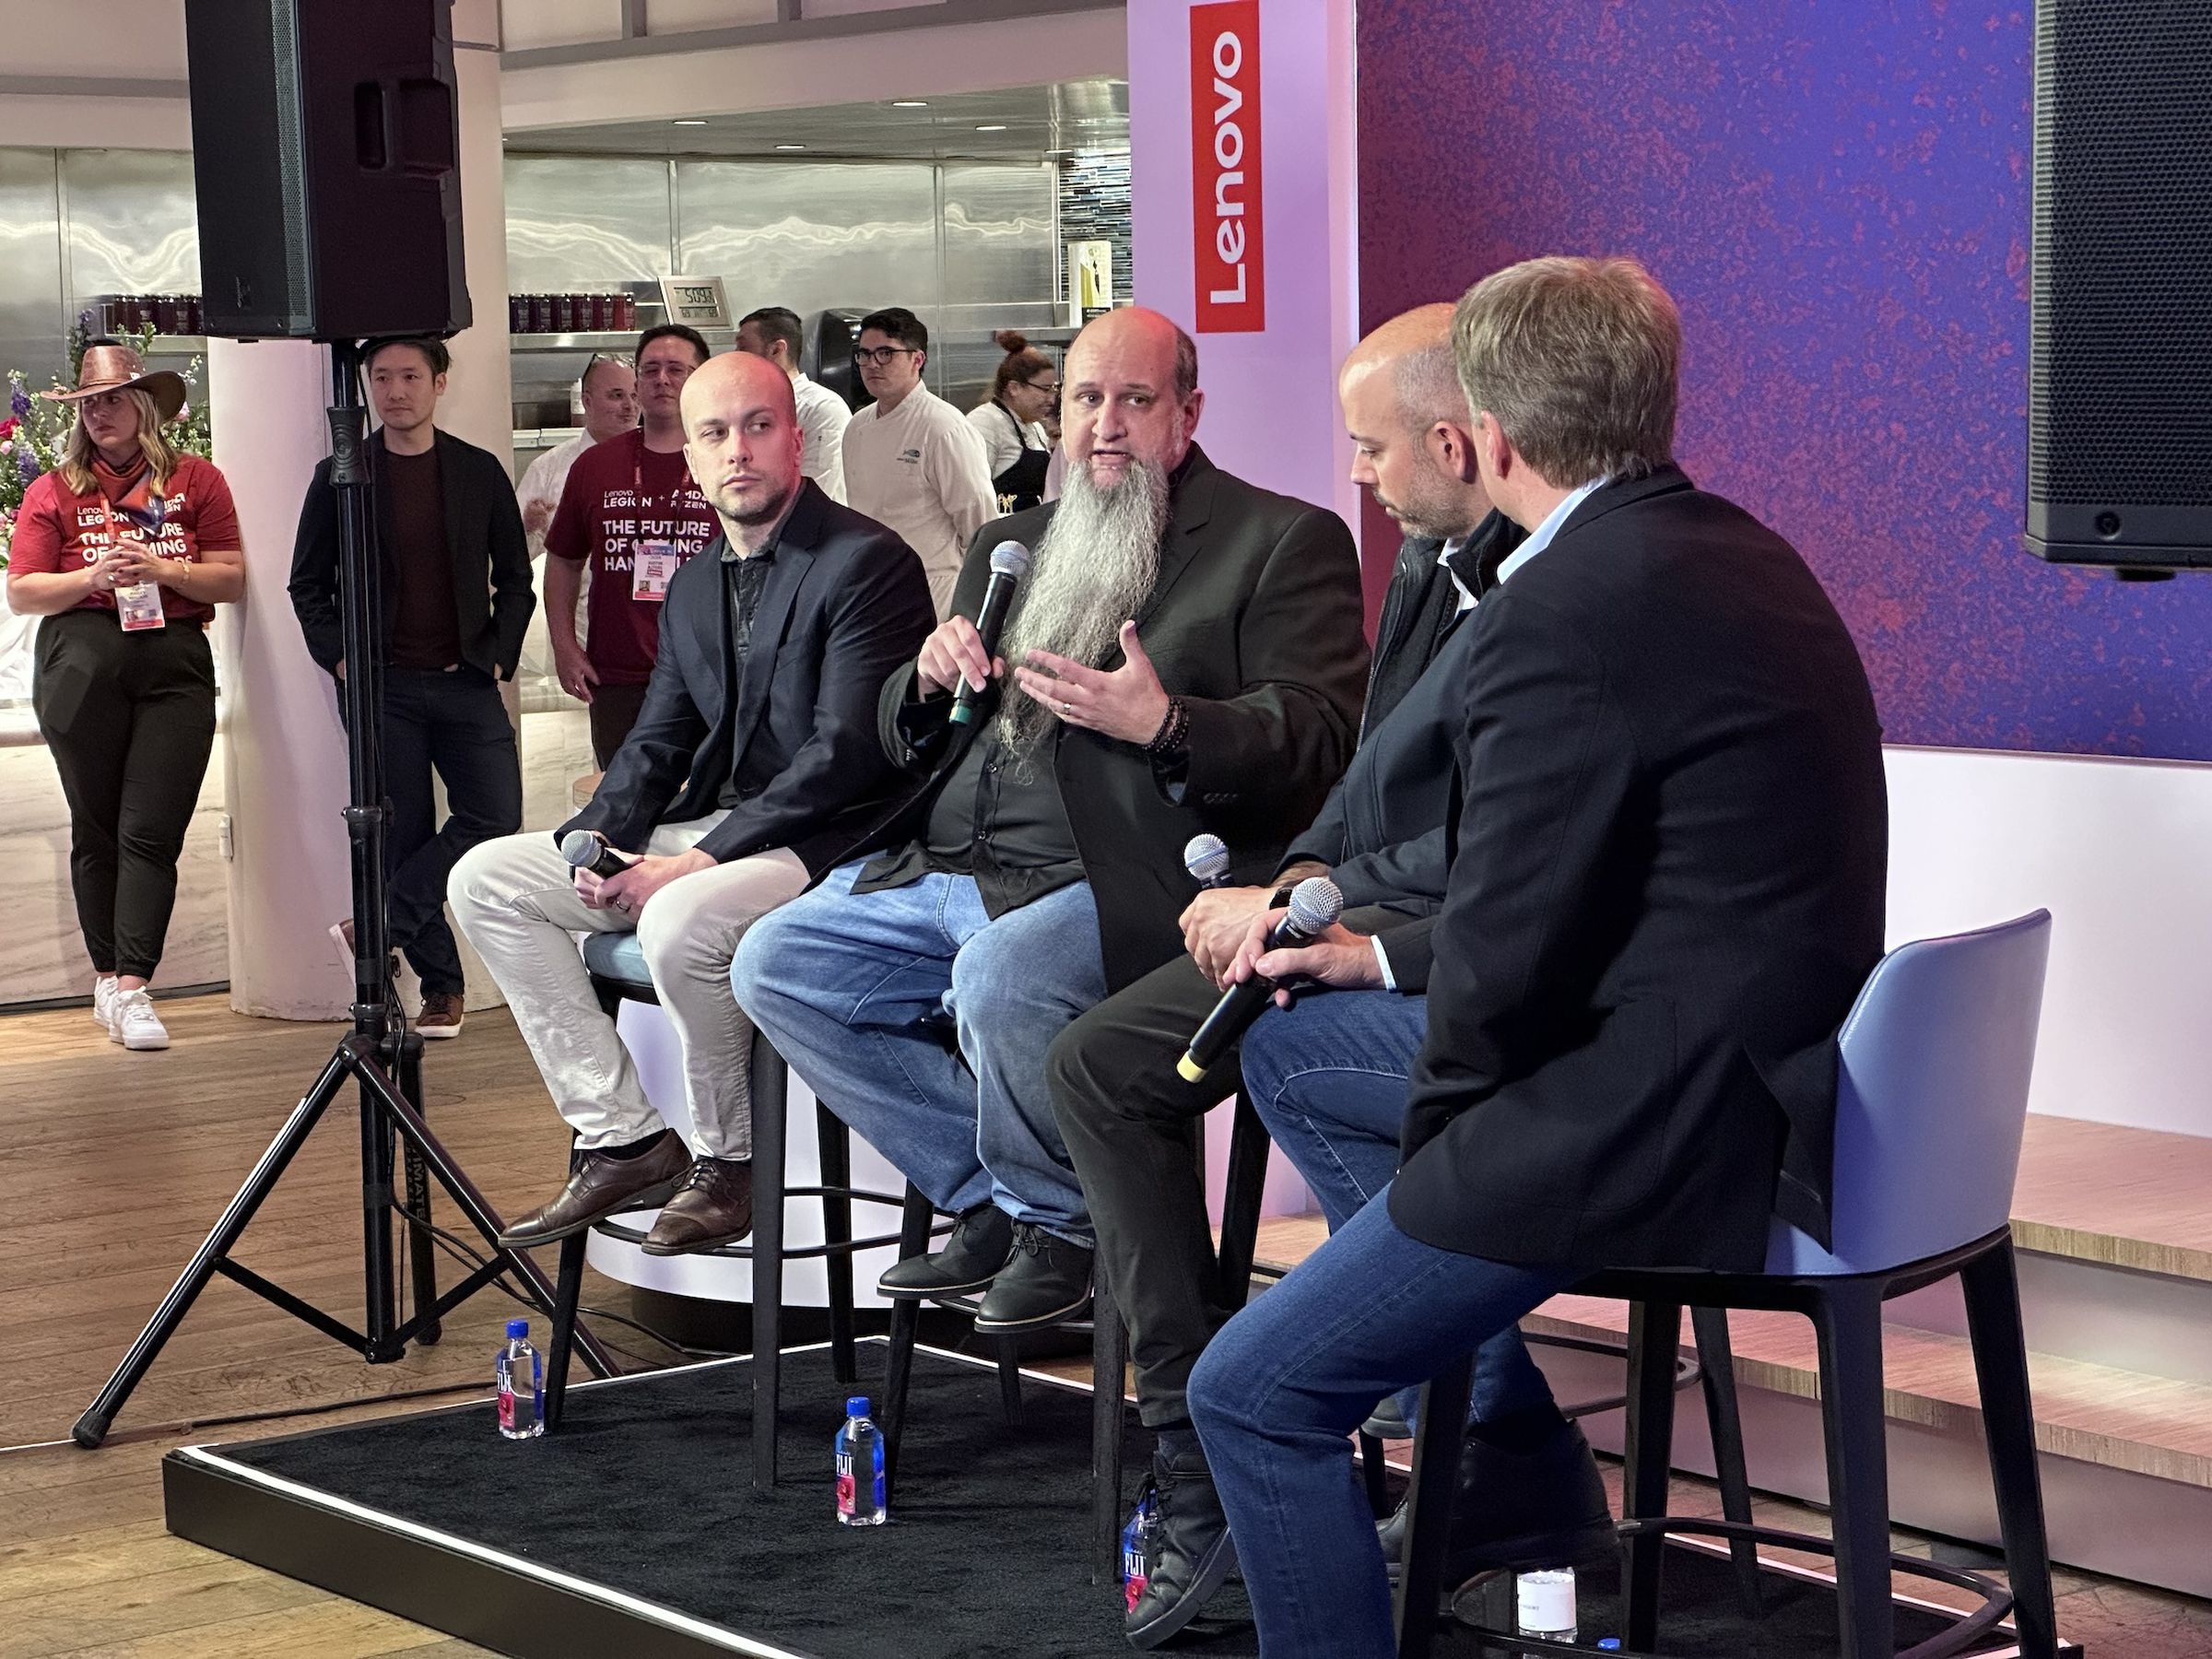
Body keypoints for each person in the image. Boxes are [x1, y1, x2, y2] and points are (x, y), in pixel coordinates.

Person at [1184, 257, 1890, 1658]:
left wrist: (1444, 1171)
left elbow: (1509, 972)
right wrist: (1372, 967)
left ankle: (1460, 1414)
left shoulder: (1550, 617)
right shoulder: (1742, 549)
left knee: (1250, 1394)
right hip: (1751, 1059)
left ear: (1492, 438)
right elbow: (1598, 891)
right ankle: (1497, 1434)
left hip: (1656, 1115)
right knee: (1302, 1042)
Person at [1046, 304, 1618, 1649]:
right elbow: (1367, 786)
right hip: (1347, 906)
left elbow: (1488, 849)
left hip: (1464, 962)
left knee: (1117, 1061)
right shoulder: (1428, 558)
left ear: (1459, 440)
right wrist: (1291, 888)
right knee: (1127, 1045)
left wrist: (1334, 921)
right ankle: (1501, 1453)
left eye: (1368, 446)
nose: (1352, 472)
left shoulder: (1575, 593)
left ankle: (1204, 1455)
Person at [732, 304, 1369, 1341]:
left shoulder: (1279, 539)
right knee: (775, 964)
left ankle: (1061, 1225)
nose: (1106, 424)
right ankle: (998, 1198)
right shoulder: (1010, 540)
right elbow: (916, 728)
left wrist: (1166, 722)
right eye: (1085, 400)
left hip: (1120, 878)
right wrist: (924, 676)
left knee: (999, 979)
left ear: (1186, 414)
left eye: (1134, 400)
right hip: (946, 866)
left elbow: (1319, 739)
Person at [453, 353, 934, 1255]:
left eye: (758, 425)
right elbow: (658, 743)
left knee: (677, 919)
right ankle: (626, 1137)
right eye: (716, 432)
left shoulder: (869, 563)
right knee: (488, 878)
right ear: (693, 457)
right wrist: (596, 844)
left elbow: (846, 757)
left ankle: (729, 1164)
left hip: (840, 840)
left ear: (795, 436)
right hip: (727, 830)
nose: (738, 450)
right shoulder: (697, 580)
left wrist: (690, 865)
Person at [288, 335, 535, 1040]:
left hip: (464, 679)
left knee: (495, 814)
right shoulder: (343, 474)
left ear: (440, 383)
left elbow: (515, 580)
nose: (395, 390)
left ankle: (374, 925)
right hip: (381, 686)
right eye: (381, 377)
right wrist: (340, 659)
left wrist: (494, 655)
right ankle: (442, 989)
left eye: (410, 376)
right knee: (404, 833)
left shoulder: (478, 471)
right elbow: (307, 584)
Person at [5, 342, 245, 1052]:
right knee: (97, 825)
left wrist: (164, 568)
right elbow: (22, 590)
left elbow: (229, 576)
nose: (100, 415)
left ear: (144, 405)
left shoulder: (197, 480)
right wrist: (91, 578)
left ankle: (136, 985)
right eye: (89, 404)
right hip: (80, 663)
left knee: (152, 829)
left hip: (172, 664)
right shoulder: (53, 488)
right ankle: (106, 977)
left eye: (112, 400)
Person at [543, 325, 719, 767]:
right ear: (637, 382)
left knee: (709, 815)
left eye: (676, 369)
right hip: (617, 674)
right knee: (624, 808)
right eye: (651, 369)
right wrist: (565, 647)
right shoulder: (595, 465)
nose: (662, 379)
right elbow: (563, 560)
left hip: (711, 675)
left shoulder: (728, 459)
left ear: (701, 379)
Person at [836, 306, 994, 615]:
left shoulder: (943, 427)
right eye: (864, 354)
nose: (871, 364)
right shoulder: (856, 426)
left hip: (933, 589)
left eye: (885, 353)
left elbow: (979, 521)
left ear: (917, 359)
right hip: (869, 586)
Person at [515, 354, 639, 561]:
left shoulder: (659, 461)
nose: (629, 406)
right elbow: (513, 558)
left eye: (635, 396)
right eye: (617, 395)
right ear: (587, 401)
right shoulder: (547, 469)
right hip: (572, 592)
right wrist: (531, 531)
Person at [735, 305, 851, 504]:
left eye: (744, 347)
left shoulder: (822, 408)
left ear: (776, 349)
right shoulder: (745, 407)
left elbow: (818, 490)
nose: (736, 356)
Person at [967, 329, 1058, 512]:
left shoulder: (1036, 429)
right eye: (1045, 389)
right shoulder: (984, 423)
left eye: (1054, 389)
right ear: (1014, 388)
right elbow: (971, 496)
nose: (1051, 399)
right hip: (999, 535)